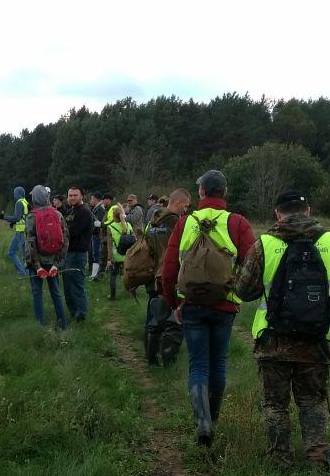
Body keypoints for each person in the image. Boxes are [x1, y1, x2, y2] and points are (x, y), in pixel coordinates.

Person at [236, 190, 330, 471]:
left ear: (278, 213)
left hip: (272, 341)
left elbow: (243, 290)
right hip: (315, 339)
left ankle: (280, 461)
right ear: (308, 211)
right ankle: (317, 461)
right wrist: (318, 304)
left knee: (275, 405)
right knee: (312, 401)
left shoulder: (264, 243)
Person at [160, 170, 255, 445]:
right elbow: (251, 264)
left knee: (198, 364)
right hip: (224, 304)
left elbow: (168, 271)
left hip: (190, 304)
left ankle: (202, 423)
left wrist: (174, 302)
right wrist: (239, 294)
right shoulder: (237, 223)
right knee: (219, 363)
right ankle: (213, 418)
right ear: (224, 192)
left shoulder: (184, 223)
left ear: (201, 193)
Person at [143, 188, 190, 366]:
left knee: (155, 315)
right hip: (169, 273)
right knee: (174, 318)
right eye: (185, 207)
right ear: (177, 203)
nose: (185, 210)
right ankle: (169, 359)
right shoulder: (174, 222)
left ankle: (151, 355)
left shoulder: (153, 220)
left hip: (152, 272)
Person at [24, 186, 70, 328]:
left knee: (37, 293)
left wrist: (37, 267)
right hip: (53, 261)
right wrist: (58, 263)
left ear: (34, 198)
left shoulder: (31, 217)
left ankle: (39, 325)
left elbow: (30, 243)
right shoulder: (57, 214)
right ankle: (63, 323)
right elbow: (66, 238)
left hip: (37, 263)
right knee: (56, 292)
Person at [62, 187, 94, 322]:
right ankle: (74, 314)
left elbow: (72, 231)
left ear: (82, 196)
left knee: (76, 286)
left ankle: (81, 316)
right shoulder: (72, 210)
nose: (72, 198)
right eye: (70, 195)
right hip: (68, 253)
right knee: (68, 287)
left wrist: (60, 230)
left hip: (77, 254)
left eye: (75, 195)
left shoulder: (84, 212)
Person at [102, 203, 132, 301]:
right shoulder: (128, 225)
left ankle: (113, 295)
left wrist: (109, 260)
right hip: (128, 255)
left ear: (114, 217)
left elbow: (110, 246)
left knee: (113, 275)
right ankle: (130, 292)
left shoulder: (110, 227)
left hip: (116, 255)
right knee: (127, 274)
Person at [0, 187, 30, 277]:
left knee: (11, 252)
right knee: (25, 254)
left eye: (15, 193)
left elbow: (17, 217)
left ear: (18, 193)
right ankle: (27, 272)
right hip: (27, 230)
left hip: (20, 231)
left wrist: (3, 217)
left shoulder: (19, 203)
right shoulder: (26, 202)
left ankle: (22, 272)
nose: (14, 195)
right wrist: (13, 222)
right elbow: (22, 216)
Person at [89, 192, 106, 280]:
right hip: (95, 234)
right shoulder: (97, 208)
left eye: (91, 198)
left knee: (96, 254)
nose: (91, 201)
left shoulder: (99, 209)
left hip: (97, 235)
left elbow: (99, 223)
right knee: (95, 253)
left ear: (96, 199)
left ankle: (95, 274)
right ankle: (94, 273)